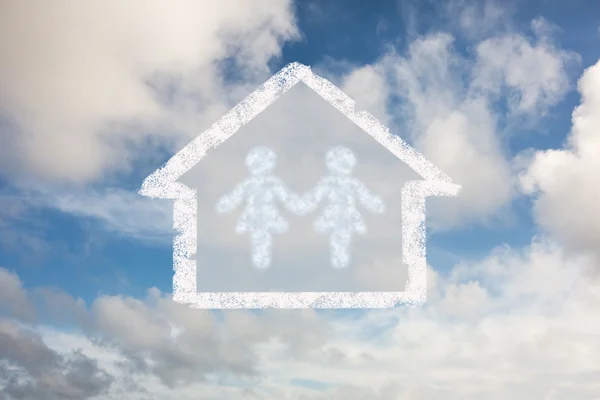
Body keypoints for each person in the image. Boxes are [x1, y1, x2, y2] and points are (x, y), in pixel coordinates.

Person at [298, 146, 385, 268]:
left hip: (347, 215)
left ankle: (342, 258)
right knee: (339, 238)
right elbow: (316, 195)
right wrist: (305, 205)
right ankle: (339, 258)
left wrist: (375, 204)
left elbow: (364, 195)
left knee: (343, 238)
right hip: (335, 214)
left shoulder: (352, 184)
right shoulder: (330, 183)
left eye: (345, 164)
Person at [216, 146, 298, 269]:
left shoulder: (272, 183)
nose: (260, 168)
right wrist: (226, 204)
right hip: (253, 216)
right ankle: (260, 260)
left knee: (263, 238)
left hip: (267, 215)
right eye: (257, 164)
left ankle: (262, 260)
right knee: (258, 238)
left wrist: (297, 205)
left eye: (263, 164)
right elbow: (236, 195)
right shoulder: (249, 184)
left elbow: (286, 196)